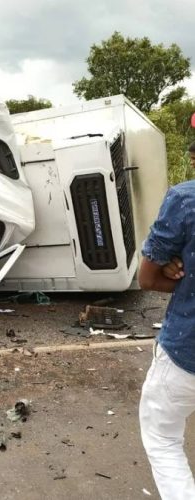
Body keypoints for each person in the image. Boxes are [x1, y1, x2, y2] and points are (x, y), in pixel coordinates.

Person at [138, 141, 195, 499]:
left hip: (186, 353)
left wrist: (178, 273)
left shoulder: (185, 200)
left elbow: (147, 279)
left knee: (162, 439)